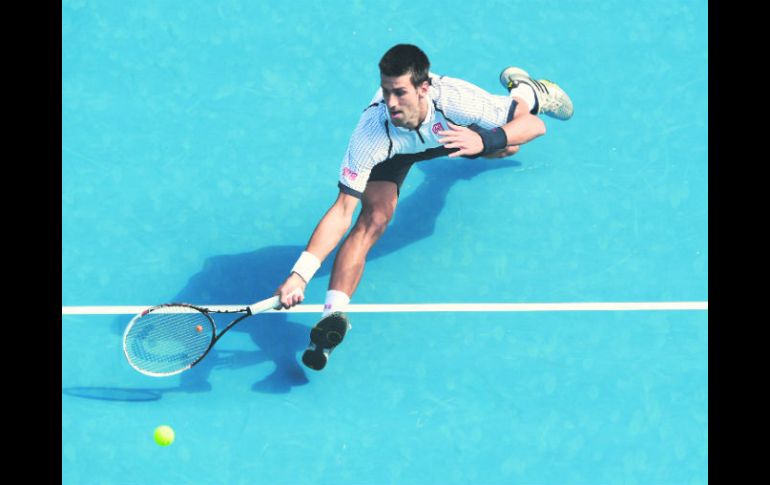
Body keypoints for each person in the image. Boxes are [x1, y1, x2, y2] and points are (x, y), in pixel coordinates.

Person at [274, 44, 573, 370]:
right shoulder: (371, 131)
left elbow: (535, 126)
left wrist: (484, 141)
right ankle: (331, 317)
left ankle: (528, 91)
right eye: (386, 91)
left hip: (448, 133)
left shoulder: (458, 100)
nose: (391, 102)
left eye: (400, 92)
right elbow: (342, 210)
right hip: (396, 150)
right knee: (374, 218)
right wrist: (300, 275)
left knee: (507, 147)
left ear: (424, 88)